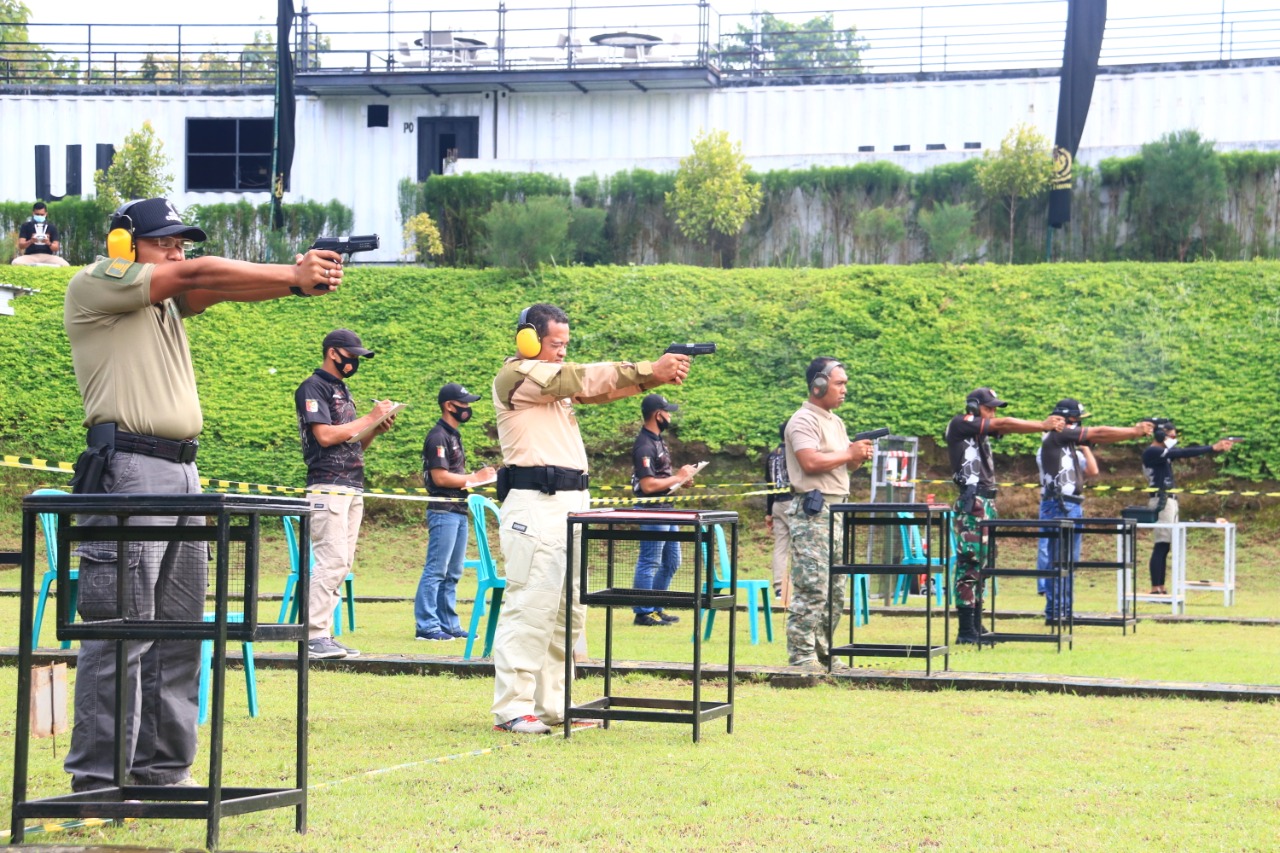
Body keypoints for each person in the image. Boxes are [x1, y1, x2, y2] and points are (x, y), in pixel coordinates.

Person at [62, 196, 341, 792]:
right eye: (163, 240)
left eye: (179, 239)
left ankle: (161, 770)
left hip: (183, 474)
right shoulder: (96, 284)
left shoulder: (158, 303)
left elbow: (212, 287)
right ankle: (98, 780)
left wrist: (292, 286)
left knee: (182, 634)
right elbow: (195, 273)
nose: (176, 249)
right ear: (122, 245)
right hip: (130, 471)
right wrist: (292, 273)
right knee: (121, 630)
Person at [490, 303, 690, 734]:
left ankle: (554, 705)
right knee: (530, 606)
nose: (562, 351)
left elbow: (597, 390)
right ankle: (512, 708)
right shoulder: (517, 376)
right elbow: (579, 378)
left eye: (566, 343)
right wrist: (647, 368)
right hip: (535, 504)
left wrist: (650, 377)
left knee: (567, 612)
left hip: (568, 505)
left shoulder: (552, 386)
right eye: (555, 343)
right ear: (527, 339)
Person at [295, 329, 397, 660]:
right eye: (351, 356)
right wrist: (369, 416)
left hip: (352, 484)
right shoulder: (313, 387)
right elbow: (324, 436)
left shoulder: (343, 389)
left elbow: (351, 441)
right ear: (333, 353)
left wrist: (373, 430)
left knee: (343, 563)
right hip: (326, 484)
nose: (355, 362)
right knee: (332, 560)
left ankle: (323, 633)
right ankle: (312, 636)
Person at [945, 387, 1065, 645]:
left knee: (983, 566)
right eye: (989, 408)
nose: (993, 413)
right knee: (970, 564)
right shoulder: (961, 423)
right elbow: (1007, 424)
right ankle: (966, 631)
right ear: (974, 407)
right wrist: (1042, 425)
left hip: (985, 501)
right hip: (972, 500)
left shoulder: (978, 430)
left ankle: (975, 624)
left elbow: (1004, 426)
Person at [783, 357, 875, 673]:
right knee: (813, 587)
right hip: (813, 511)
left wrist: (857, 457)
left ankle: (824, 653)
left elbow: (843, 462)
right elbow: (809, 462)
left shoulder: (834, 421)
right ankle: (801, 656)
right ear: (818, 385)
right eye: (840, 383)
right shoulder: (803, 420)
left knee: (835, 591)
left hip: (836, 510)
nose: (844, 389)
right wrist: (849, 453)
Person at [1037, 399, 1152, 625]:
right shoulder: (1059, 435)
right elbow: (1099, 433)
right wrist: (1134, 432)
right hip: (1061, 506)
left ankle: (1062, 611)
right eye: (1077, 420)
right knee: (1061, 561)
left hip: (1068, 504)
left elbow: (1093, 457)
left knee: (1067, 561)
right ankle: (1057, 612)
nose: (1080, 425)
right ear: (1068, 420)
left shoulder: (1064, 441)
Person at [414, 382, 496, 641]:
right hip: (443, 510)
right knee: (436, 570)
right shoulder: (438, 436)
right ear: (449, 406)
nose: (468, 408)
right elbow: (439, 478)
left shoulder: (453, 435)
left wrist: (479, 479)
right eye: (464, 404)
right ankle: (426, 626)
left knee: (453, 572)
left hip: (458, 510)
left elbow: (456, 477)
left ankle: (448, 623)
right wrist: (475, 476)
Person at [1140, 419, 1235, 594]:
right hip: (1161, 500)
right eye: (1171, 434)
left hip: (1168, 500)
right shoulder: (1153, 451)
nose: (1174, 438)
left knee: (1165, 544)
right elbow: (1183, 453)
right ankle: (1156, 587)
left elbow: (1179, 452)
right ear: (1161, 434)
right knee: (1161, 544)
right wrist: (1212, 448)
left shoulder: (1162, 453)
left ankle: (1159, 586)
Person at [630, 393, 700, 627]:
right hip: (652, 510)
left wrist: (681, 481)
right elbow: (648, 485)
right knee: (650, 561)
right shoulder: (644, 445)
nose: (670, 416)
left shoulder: (658, 440)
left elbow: (662, 478)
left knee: (672, 561)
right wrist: (677, 477)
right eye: (667, 412)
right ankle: (643, 612)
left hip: (667, 508)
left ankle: (656, 606)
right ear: (658, 415)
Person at [764, 422, 793, 602]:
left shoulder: (771, 455)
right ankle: (798, 585)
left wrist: (768, 512)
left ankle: (779, 588)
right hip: (794, 502)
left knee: (780, 547)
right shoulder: (796, 453)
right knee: (800, 545)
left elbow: (769, 484)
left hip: (777, 503)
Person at [13, 201, 69, 266]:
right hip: (31, 256)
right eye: (37, 214)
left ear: (46, 214)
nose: (39, 216)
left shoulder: (51, 227)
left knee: (65, 265)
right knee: (16, 262)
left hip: (48, 256)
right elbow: (21, 245)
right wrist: (31, 241)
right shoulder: (26, 226)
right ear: (33, 213)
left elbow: (56, 248)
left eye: (42, 214)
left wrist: (48, 243)